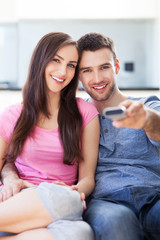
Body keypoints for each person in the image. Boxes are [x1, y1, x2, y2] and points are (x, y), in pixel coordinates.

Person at [0, 32, 100, 240]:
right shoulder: (12, 114)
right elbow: (3, 164)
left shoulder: (86, 113)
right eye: (56, 60)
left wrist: (75, 191)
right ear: (41, 61)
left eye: (71, 65)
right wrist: (12, 179)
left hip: (61, 202)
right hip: (19, 198)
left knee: (81, 233)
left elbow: (87, 179)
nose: (63, 71)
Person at [77, 32, 160, 240]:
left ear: (116, 66)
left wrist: (146, 120)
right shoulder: (76, 118)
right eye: (87, 70)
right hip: (105, 204)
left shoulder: (145, 105)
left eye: (104, 67)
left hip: (153, 197)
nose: (97, 79)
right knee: (119, 226)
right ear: (79, 76)